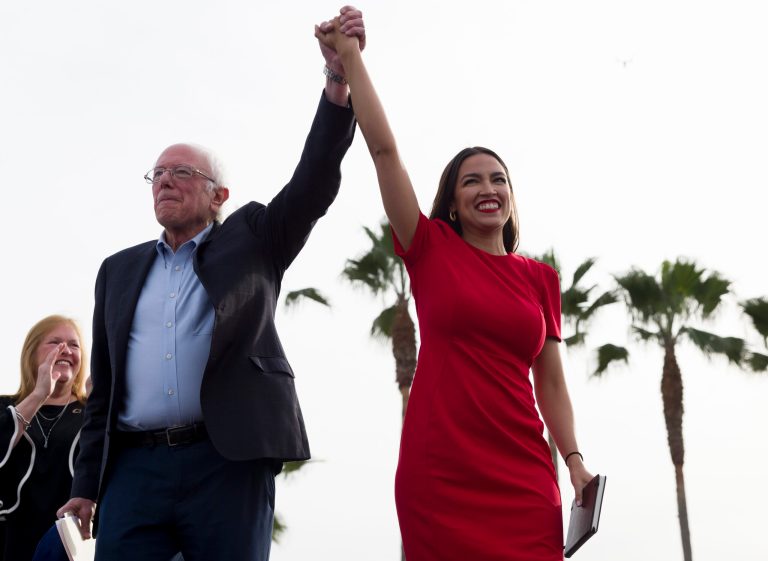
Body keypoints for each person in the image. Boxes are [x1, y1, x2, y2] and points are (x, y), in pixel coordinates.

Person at [56, 7, 365, 561]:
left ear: (219, 196)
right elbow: (103, 391)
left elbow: (314, 181)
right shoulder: (118, 270)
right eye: (158, 174)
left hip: (227, 463)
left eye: (183, 173)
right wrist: (85, 485)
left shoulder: (254, 238)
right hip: (135, 471)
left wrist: (338, 79)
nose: (165, 181)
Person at [315, 16, 595, 561]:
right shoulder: (428, 247)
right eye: (472, 180)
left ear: (511, 196)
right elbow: (385, 152)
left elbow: (553, 385)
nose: (487, 188)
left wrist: (575, 460)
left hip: (523, 472)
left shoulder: (542, 280)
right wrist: (351, 59)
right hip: (441, 468)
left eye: (498, 180)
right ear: (452, 198)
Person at [0, 315, 88, 561]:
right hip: (12, 539)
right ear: (32, 353)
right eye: (55, 342)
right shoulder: (7, 407)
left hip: (70, 541)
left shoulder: (93, 412)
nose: (66, 350)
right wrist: (39, 394)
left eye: (74, 345)